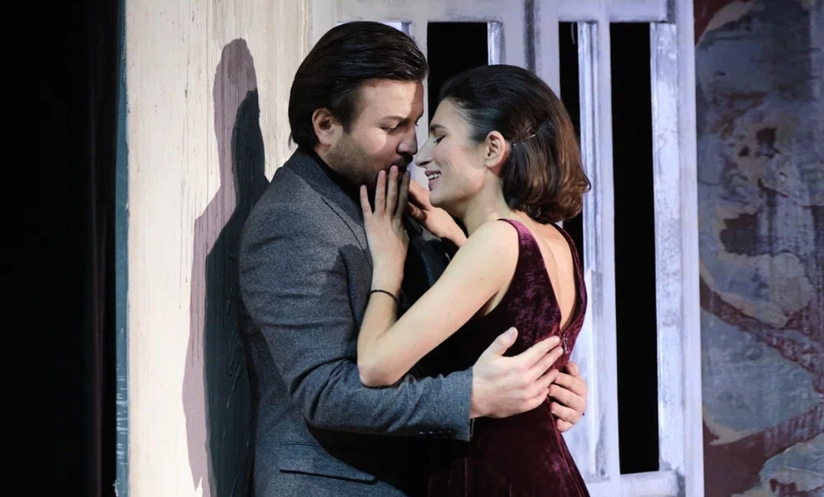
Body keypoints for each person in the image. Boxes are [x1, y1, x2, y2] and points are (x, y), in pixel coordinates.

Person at [238, 22, 588, 497]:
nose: (412, 146)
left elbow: (459, 326)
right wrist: (473, 397)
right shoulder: (292, 221)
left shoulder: (410, 201)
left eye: (418, 124)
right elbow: (326, 393)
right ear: (325, 125)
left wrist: (548, 387)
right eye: (391, 127)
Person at [356, 64, 591, 496]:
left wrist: (388, 267)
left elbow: (374, 367)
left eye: (440, 137)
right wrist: (457, 237)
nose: (422, 156)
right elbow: (511, 304)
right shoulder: (555, 239)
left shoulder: (496, 243)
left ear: (492, 149)